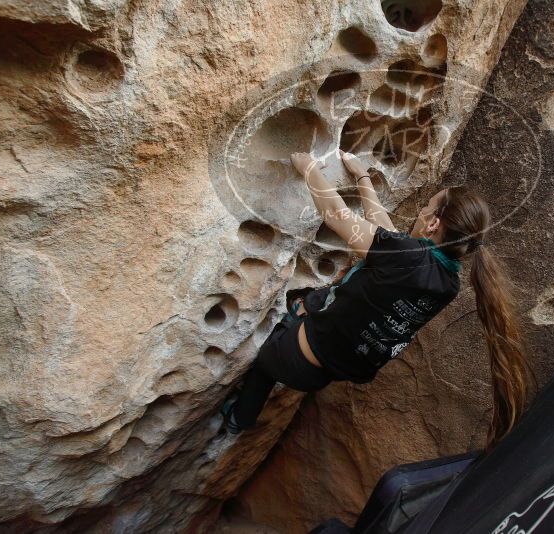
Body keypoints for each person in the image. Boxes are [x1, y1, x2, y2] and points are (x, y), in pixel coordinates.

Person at [220, 150, 534, 452]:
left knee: (272, 351)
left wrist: (309, 169)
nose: (422, 210)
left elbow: (336, 216)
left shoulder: (406, 256)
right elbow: (386, 233)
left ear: (434, 224)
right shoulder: (447, 280)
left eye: (428, 205)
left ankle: (238, 419)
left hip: (292, 358)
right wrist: (363, 178)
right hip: (327, 372)